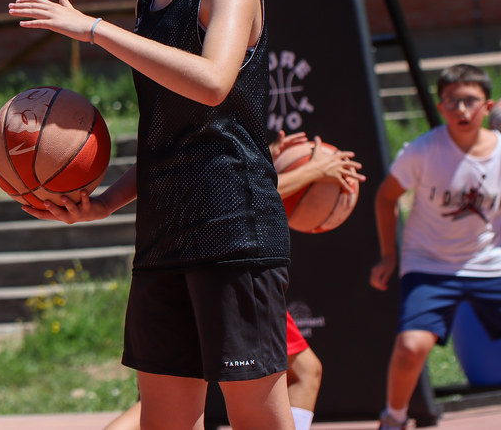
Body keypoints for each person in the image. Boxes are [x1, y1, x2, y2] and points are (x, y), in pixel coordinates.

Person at [9, 0, 293, 430]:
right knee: (162, 421)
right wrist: (103, 201)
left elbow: (214, 82)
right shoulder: (151, 2)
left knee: (257, 420)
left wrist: (94, 29)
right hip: (164, 235)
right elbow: (172, 138)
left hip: (234, 232)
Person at [104, 131, 365, 430]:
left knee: (174, 398)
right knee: (180, 396)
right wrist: (313, 171)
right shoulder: (200, 117)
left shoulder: (186, 133)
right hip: (226, 264)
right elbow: (240, 200)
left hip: (201, 258)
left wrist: (266, 154)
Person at [369, 63, 501, 430]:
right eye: (453, 101)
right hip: (429, 265)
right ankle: (393, 419)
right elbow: (385, 197)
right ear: (440, 107)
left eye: (470, 101)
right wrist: (389, 255)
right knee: (412, 347)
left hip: (487, 263)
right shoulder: (423, 151)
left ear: (487, 107)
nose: (462, 109)